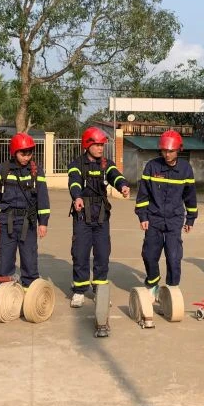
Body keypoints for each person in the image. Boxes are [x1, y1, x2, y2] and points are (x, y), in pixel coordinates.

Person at [67, 127, 130, 307]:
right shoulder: (76, 164)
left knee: (102, 253)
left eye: (102, 145)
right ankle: (79, 290)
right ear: (87, 145)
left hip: (101, 215)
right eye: (97, 145)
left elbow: (115, 176)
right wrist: (77, 197)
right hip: (82, 215)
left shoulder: (106, 164)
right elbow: (74, 182)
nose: (100, 148)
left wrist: (123, 186)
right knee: (80, 253)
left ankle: (100, 290)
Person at [135, 130, 197, 299]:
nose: (167, 154)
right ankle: (153, 283)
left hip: (174, 219)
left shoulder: (185, 169)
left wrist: (190, 219)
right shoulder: (152, 167)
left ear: (179, 150)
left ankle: (171, 289)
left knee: (174, 257)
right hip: (153, 219)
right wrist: (143, 216)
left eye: (170, 151)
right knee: (149, 255)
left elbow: (190, 196)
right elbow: (143, 194)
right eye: (164, 150)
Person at [0, 132, 50, 288]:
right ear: (14, 152)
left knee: (29, 258)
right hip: (6, 221)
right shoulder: (3, 169)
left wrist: (43, 222)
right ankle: (6, 290)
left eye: (29, 154)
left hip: (28, 222)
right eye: (23, 154)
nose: (26, 157)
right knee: (5, 257)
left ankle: (29, 288)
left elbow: (43, 198)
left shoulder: (37, 171)